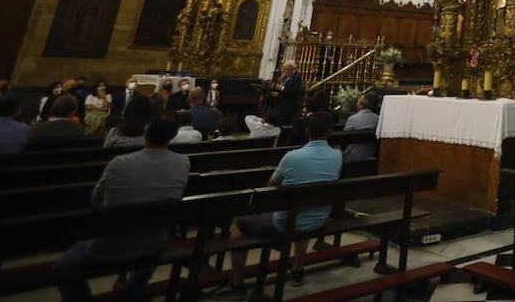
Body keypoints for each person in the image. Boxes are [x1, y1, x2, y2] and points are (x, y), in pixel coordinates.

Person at [53, 115, 190, 302]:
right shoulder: (183, 162)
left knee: (63, 268)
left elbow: (96, 199)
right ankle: (132, 295)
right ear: (173, 136)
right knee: (150, 240)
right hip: (153, 241)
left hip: (110, 245)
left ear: (146, 132)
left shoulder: (119, 163)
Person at [215, 112, 342, 298]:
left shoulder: (293, 156)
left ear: (307, 131)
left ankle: (237, 284)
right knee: (301, 208)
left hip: (286, 221)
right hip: (319, 217)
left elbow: (269, 188)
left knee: (238, 223)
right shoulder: (337, 155)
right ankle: (297, 270)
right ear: (330, 132)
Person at [342, 95, 378, 162]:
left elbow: (345, 137)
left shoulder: (352, 118)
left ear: (361, 106)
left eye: (357, 103)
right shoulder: (378, 118)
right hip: (372, 153)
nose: (356, 105)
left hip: (353, 154)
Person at [267, 61, 303, 125]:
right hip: (281, 102)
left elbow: (293, 91)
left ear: (292, 69)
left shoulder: (296, 77)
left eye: (286, 69)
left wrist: (281, 88)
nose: (284, 71)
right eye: (283, 69)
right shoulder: (286, 77)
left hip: (288, 105)